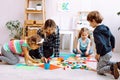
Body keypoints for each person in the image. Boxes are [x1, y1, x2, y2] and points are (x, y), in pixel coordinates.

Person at [87, 11, 120, 79]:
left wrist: (98, 53)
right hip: (109, 51)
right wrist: (113, 47)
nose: (90, 25)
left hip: (104, 53)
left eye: (89, 22)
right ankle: (117, 64)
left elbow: (100, 43)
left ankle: (111, 68)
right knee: (105, 62)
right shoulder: (106, 27)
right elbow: (112, 37)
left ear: (93, 21)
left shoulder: (96, 31)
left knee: (99, 70)